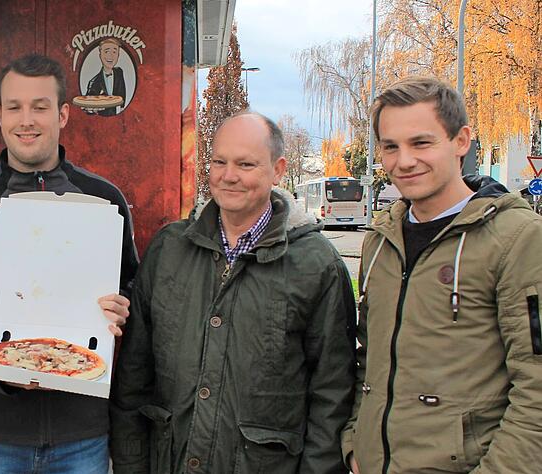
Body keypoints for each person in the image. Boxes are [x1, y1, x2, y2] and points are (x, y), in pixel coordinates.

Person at [110, 111, 356, 473]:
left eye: (245, 164)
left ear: (278, 169)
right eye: (219, 161)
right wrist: (131, 464)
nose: (229, 176)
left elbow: (332, 393)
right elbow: (134, 376)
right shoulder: (169, 250)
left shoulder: (317, 265)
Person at [0, 54, 139, 474]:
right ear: (0, 116)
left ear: (62, 114)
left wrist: (123, 309)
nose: (27, 119)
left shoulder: (105, 200)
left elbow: (132, 289)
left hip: (81, 431)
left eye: (40, 106)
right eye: (15, 107)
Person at [342, 76, 542, 473]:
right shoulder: (380, 241)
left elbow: (536, 392)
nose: (404, 161)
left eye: (421, 143)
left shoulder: (518, 239)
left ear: (461, 141)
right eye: (390, 147)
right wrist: (354, 441)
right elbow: (369, 359)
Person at [84, 37, 127, 116]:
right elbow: (88, 108)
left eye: (114, 52)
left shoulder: (119, 72)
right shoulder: (93, 82)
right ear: (100, 55)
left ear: (118, 55)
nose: (110, 56)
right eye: (106, 51)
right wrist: (91, 109)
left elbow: (122, 94)